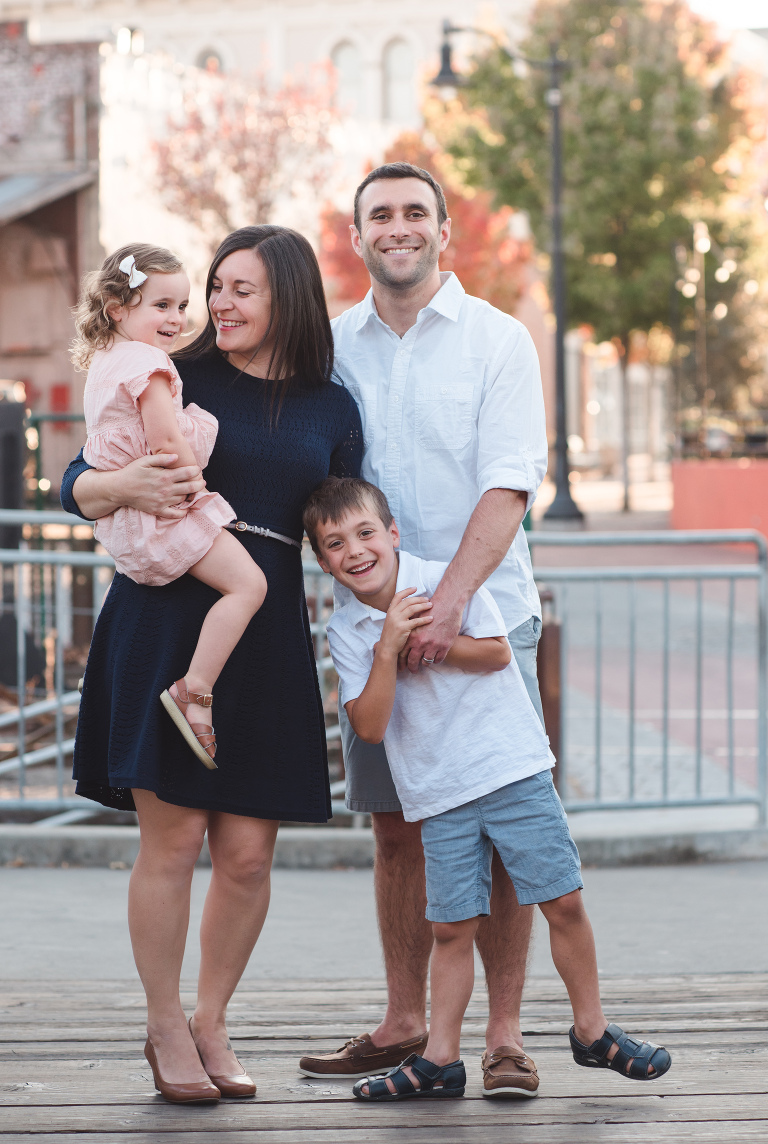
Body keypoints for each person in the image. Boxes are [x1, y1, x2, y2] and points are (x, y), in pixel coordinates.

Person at [59, 226, 362, 1104]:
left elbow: (348, 519)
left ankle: (211, 1022)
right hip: (163, 619)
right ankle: (163, 1026)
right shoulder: (171, 365)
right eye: (215, 286)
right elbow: (76, 479)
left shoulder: (332, 406)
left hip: (263, 630)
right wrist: (121, 488)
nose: (218, 305)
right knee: (174, 839)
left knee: (248, 857)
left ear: (287, 297)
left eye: (240, 289)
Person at [298, 162, 549, 1096]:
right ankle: (405, 1022)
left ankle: (504, 1037)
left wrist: (448, 605)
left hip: (489, 617)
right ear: (357, 237)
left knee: (505, 830)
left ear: (444, 230)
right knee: (397, 828)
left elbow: (510, 483)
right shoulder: (327, 350)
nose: (397, 227)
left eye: (415, 212)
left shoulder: (498, 340)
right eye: (380, 215)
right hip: (376, 632)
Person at [304, 476, 672, 1101]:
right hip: (438, 793)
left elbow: (498, 654)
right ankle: (440, 1060)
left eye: (366, 533)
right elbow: (368, 726)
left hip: (509, 769)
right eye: (335, 543)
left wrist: (429, 640)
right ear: (321, 559)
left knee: (563, 900)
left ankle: (592, 1030)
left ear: (392, 534)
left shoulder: (443, 582)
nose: (355, 551)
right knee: (451, 927)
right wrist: (388, 646)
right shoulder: (349, 629)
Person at [74, 243, 267, 769]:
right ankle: (194, 690)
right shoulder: (149, 362)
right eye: (161, 306)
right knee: (249, 586)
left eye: (182, 306)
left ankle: (183, 685)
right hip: (163, 515)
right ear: (117, 309)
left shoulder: (105, 363)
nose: (177, 319)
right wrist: (196, 489)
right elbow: (164, 440)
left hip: (128, 529)